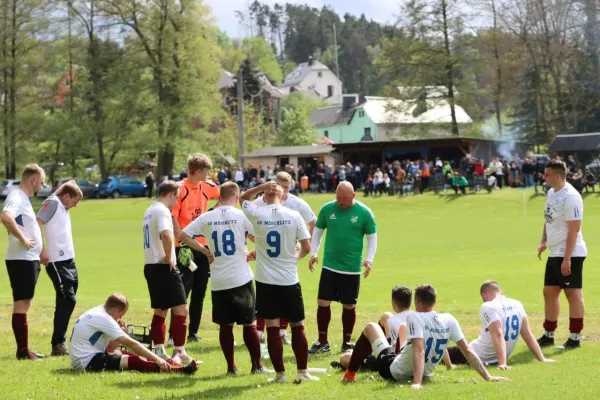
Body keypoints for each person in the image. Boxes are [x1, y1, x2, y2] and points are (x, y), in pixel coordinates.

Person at [179, 182, 270, 376]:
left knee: (225, 325)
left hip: (219, 280)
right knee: (249, 323)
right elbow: (259, 238)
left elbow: (183, 235)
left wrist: (204, 250)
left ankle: (231, 367)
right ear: (237, 198)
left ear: (219, 197)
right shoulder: (241, 216)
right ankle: (257, 366)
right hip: (241, 277)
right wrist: (254, 252)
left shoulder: (207, 217)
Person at [341, 285, 510, 388]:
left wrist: (416, 383)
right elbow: (467, 351)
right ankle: (354, 366)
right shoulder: (449, 319)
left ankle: (349, 375)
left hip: (393, 370)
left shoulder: (415, 317)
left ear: (418, 303)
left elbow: (419, 351)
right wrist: (488, 376)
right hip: (424, 371)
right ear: (435, 303)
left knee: (371, 327)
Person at [240, 182, 317, 383]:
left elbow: (242, 198)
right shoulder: (294, 216)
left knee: (272, 328)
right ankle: (302, 372)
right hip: (289, 280)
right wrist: (295, 257)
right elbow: (307, 248)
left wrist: (262, 186)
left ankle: (280, 375)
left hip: (265, 282)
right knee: (297, 326)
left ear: (264, 197)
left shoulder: (257, 214)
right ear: (283, 197)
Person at [309, 181, 378, 354]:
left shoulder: (364, 213)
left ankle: (347, 342)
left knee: (349, 305)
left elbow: (372, 238)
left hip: (351, 267)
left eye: (345, 198)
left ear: (353, 196)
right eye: (338, 197)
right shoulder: (327, 209)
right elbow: (317, 232)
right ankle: (322, 341)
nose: (340, 201)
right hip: (330, 265)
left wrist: (369, 260)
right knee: (323, 302)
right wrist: (314, 252)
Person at [253, 172, 317, 345]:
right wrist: (260, 243)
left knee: (285, 291)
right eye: (281, 186)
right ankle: (259, 332)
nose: (284, 190)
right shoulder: (261, 201)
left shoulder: (297, 204)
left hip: (287, 256)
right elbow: (247, 225)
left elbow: (313, 223)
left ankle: (282, 332)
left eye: (287, 187)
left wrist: (303, 243)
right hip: (268, 256)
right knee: (265, 294)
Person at [69, 293, 198, 374]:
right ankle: (178, 370)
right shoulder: (105, 319)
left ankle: (166, 364)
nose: (119, 318)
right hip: (86, 362)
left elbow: (110, 348)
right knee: (132, 360)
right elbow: (132, 344)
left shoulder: (98, 311)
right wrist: (158, 359)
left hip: (84, 358)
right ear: (115, 309)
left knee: (126, 354)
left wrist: (121, 333)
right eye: (121, 314)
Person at [144, 180, 198, 363]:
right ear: (172, 194)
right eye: (177, 197)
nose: (177, 201)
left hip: (150, 265)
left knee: (160, 310)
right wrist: (169, 256)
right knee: (182, 308)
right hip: (164, 267)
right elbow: (166, 234)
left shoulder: (149, 209)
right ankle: (179, 351)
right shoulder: (162, 211)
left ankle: (158, 350)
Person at [446, 281, 555, 368]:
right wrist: (542, 358)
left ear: (485, 295)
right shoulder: (517, 304)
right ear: (501, 292)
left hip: (478, 355)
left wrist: (502, 364)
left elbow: (498, 334)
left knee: (439, 352)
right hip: (497, 356)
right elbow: (527, 335)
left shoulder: (488, 306)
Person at [537, 160, 586, 350]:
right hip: (554, 252)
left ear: (557, 176)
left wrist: (567, 258)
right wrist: (544, 240)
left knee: (572, 293)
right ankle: (548, 335)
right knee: (549, 292)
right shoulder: (551, 193)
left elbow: (574, 230)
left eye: (546, 174)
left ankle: (575, 338)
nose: (544, 176)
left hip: (571, 253)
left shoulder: (571, 197)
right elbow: (548, 219)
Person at [171, 153, 220, 343]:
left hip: (203, 248)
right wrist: (182, 240)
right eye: (207, 171)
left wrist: (213, 212)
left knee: (200, 291)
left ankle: (192, 333)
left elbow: (229, 194)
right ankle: (174, 334)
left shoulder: (207, 187)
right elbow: (173, 218)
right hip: (183, 247)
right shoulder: (180, 189)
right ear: (198, 171)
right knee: (182, 292)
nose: (209, 175)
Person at [2, 164, 46, 360]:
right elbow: (5, 217)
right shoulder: (17, 196)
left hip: (27, 259)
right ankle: (23, 351)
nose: (42, 187)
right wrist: (22, 238)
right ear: (33, 180)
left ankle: (24, 349)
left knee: (24, 303)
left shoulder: (23, 199)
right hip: (21, 259)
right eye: (42, 182)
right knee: (22, 304)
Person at [36, 180, 82, 356]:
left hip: (70, 260)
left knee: (66, 300)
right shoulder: (53, 203)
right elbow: (37, 222)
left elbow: (71, 182)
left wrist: (66, 189)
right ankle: (58, 343)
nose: (75, 206)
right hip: (56, 261)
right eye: (74, 201)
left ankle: (59, 342)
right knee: (68, 299)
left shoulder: (61, 202)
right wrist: (42, 249)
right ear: (66, 196)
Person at [333, 285, 412, 371]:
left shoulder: (394, 321)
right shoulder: (414, 316)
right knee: (386, 316)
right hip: (405, 354)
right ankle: (367, 351)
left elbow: (395, 351)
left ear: (394, 303)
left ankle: (360, 363)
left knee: (344, 358)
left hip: (393, 360)